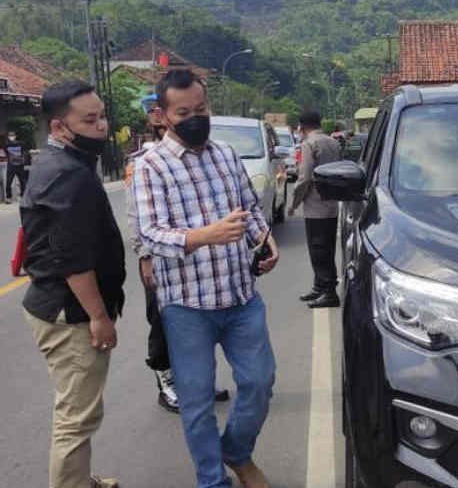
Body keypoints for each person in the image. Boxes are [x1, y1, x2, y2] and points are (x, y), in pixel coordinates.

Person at [132, 69, 279, 488]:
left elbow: (249, 208)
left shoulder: (227, 155)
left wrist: (264, 240)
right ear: (162, 115)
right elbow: (151, 234)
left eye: (202, 109)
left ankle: (236, 450)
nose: (196, 117)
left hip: (239, 296)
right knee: (197, 403)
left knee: (259, 382)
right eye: (184, 112)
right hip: (186, 305)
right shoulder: (150, 167)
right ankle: (213, 480)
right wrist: (203, 236)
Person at [21, 80, 125, 488]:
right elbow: (72, 259)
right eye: (90, 119)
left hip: (53, 304)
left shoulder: (61, 164)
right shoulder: (67, 174)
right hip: (70, 312)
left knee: (76, 410)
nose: (101, 126)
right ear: (60, 127)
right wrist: (99, 316)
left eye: (101, 116)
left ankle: (79, 479)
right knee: (77, 418)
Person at [126, 93, 229, 413]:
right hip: (161, 255)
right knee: (161, 320)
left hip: (199, 254)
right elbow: (137, 216)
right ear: (156, 117)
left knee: (200, 322)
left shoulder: (205, 153)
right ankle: (166, 380)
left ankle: (198, 382)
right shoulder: (142, 161)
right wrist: (145, 256)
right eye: (159, 113)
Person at [288, 110, 342, 309]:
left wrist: (293, 204)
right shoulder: (332, 142)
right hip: (332, 203)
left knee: (318, 250)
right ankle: (320, 287)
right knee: (327, 248)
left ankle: (328, 292)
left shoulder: (309, 144)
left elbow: (304, 178)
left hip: (315, 206)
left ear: (302, 127)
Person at [6, 129, 27, 203]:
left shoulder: (21, 144)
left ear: (15, 136)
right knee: (8, 182)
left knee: (22, 181)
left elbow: (24, 152)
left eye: (12, 135)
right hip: (11, 166)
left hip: (20, 165)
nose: (11, 137)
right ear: (8, 137)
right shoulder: (7, 145)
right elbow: (7, 154)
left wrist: (23, 160)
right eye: (10, 136)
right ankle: (8, 198)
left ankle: (23, 196)